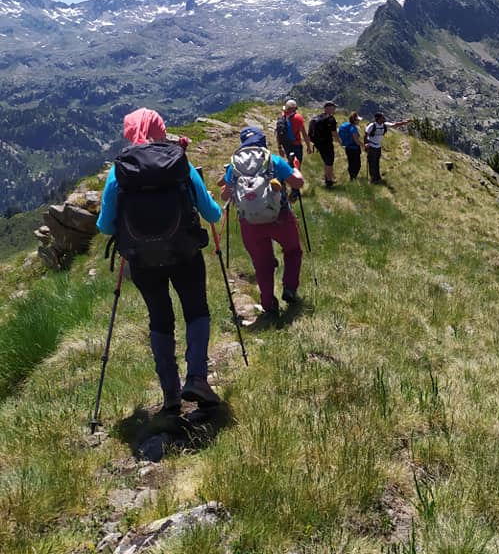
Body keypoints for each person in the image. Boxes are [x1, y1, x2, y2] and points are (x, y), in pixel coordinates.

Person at [96, 108, 223, 411]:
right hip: (185, 253)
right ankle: (197, 378)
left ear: (129, 131)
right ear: (160, 128)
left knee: (160, 318)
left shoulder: (120, 170)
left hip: (142, 260)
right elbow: (211, 213)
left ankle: (170, 393)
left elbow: (104, 226)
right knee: (196, 310)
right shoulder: (178, 161)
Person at [219, 126, 305, 320]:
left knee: (262, 263)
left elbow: (224, 194)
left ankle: (268, 305)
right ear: (263, 142)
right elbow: (297, 183)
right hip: (280, 216)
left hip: (249, 222)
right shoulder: (273, 160)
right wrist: (296, 169)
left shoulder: (235, 165)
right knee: (292, 250)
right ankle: (289, 287)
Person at [364, 112, 411, 184]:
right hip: (372, 147)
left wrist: (405, 122)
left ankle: (377, 177)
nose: (384, 118)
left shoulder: (384, 125)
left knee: (377, 162)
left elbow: (395, 124)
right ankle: (373, 179)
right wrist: (366, 144)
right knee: (372, 163)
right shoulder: (372, 126)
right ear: (378, 119)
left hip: (378, 147)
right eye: (382, 117)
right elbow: (366, 134)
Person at [308, 100, 338, 188]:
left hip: (318, 144)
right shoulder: (330, 119)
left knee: (326, 160)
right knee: (330, 162)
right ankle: (329, 181)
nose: (334, 110)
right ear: (328, 109)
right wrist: (339, 141)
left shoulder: (318, 117)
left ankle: (327, 177)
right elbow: (334, 133)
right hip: (327, 143)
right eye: (333, 108)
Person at [338, 111, 364, 181]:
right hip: (354, 149)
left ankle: (351, 177)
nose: (359, 121)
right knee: (357, 164)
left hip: (348, 148)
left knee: (351, 163)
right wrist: (363, 145)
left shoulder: (346, 125)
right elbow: (356, 140)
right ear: (355, 120)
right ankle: (353, 178)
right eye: (358, 120)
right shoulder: (353, 128)